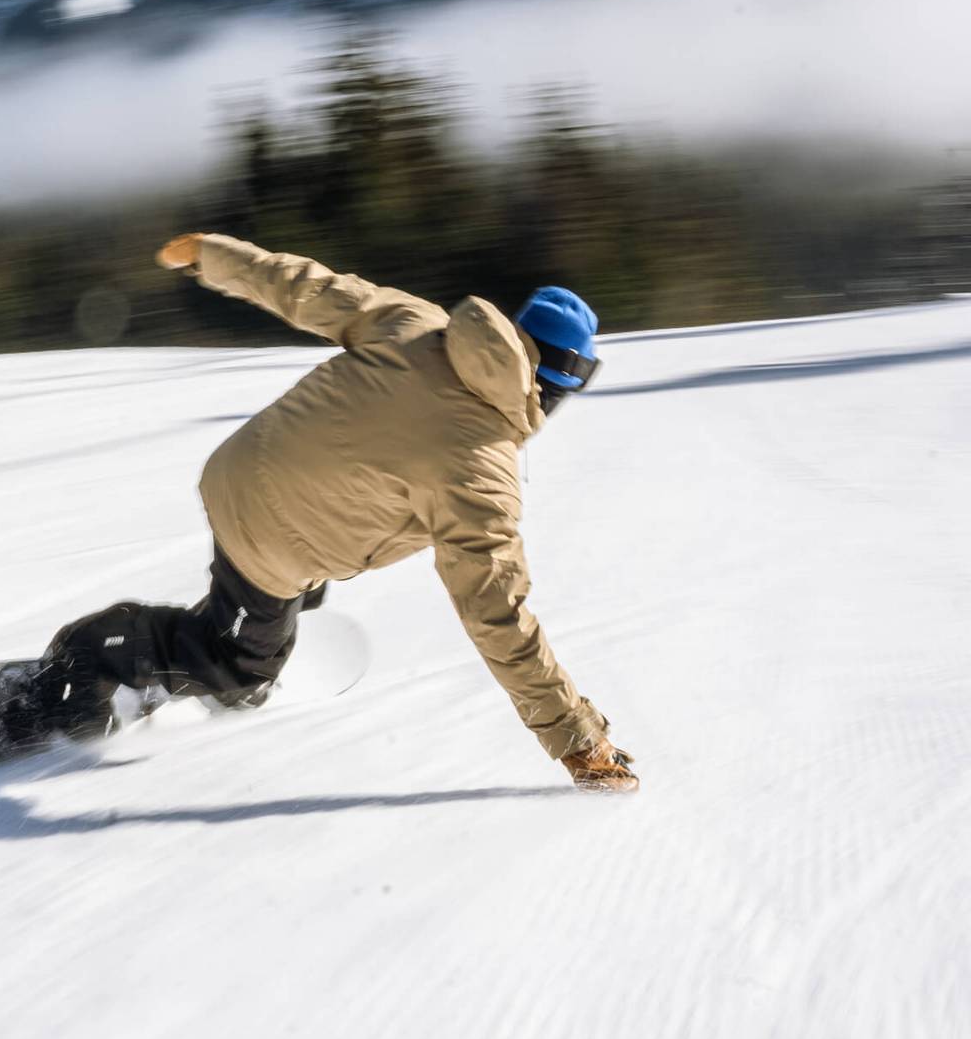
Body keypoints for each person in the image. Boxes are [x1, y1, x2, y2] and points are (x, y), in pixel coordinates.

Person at [31, 232, 638, 793]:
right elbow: (496, 614)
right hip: (273, 532)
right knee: (241, 672)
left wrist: (213, 255)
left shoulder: (419, 322)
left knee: (279, 596)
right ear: (556, 387)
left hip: (241, 470)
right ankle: (86, 665)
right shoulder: (481, 465)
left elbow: (305, 286)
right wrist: (576, 737)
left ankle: (211, 635)